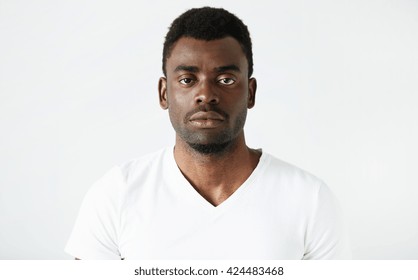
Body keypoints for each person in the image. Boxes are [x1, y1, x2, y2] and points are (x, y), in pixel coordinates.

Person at [65, 7, 350, 260]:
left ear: (250, 92)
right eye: (187, 80)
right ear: (164, 93)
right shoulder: (117, 194)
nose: (205, 94)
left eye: (225, 79)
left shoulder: (309, 199)